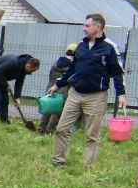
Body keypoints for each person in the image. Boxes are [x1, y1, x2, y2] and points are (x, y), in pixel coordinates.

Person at [49, 13, 126, 168]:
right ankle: (58, 162)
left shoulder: (109, 47)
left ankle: (87, 167)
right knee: (61, 129)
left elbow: (117, 72)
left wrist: (121, 94)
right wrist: (57, 85)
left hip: (96, 97)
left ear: (98, 27)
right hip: (75, 94)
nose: (84, 29)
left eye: (87, 26)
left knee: (92, 135)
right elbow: (71, 69)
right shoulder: (81, 46)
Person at [0, 52, 40, 125]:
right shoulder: (14, 63)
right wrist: (6, 85)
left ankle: (4, 121)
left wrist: (17, 98)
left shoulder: (23, 69)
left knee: (5, 99)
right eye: (32, 71)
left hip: (2, 76)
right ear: (28, 66)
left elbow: (19, 84)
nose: (32, 73)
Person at [40, 44, 76, 134]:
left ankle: (41, 129)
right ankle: (50, 130)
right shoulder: (73, 65)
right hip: (63, 90)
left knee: (47, 109)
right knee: (57, 112)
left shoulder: (56, 62)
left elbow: (51, 74)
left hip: (51, 87)